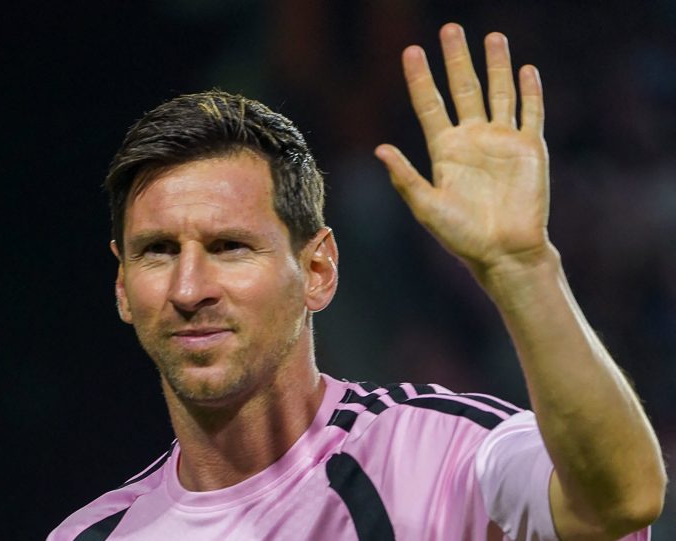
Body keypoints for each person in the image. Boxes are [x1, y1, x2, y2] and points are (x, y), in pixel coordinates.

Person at [48, 23, 666, 540]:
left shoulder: (438, 453)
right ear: (122, 286)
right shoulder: (93, 534)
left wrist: (523, 268)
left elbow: (623, 499)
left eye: (229, 247)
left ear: (317, 271)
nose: (188, 290)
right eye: (157, 252)